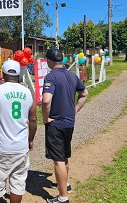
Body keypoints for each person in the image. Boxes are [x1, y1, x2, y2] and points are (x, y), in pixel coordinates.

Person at [0, 59, 37, 203]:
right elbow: (33, 120)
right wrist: (30, 139)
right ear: (18, 74)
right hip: (21, 148)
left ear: (3, 74)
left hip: (2, 148)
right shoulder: (28, 92)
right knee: (17, 184)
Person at [41, 48, 89, 203]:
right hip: (69, 123)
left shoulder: (51, 76)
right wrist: (74, 110)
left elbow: (46, 100)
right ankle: (65, 185)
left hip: (56, 124)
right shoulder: (72, 75)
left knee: (58, 160)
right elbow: (84, 94)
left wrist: (45, 118)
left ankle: (62, 198)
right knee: (64, 156)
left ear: (48, 61)